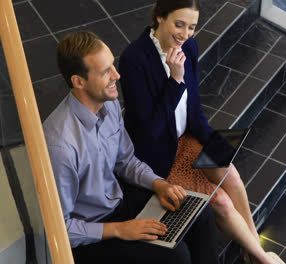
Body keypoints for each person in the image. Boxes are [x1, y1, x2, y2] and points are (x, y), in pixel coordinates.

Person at [119, 1, 284, 263]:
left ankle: (253, 249)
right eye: (179, 24)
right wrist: (175, 80)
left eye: (192, 27)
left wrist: (216, 144)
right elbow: (151, 131)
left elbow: (194, 111)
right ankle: (262, 259)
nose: (185, 34)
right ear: (160, 18)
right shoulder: (134, 59)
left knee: (229, 172)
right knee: (219, 200)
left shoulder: (189, 47)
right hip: (157, 155)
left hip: (187, 137)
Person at [43, 31, 218, 264]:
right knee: (176, 256)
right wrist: (120, 229)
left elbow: (125, 161)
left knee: (199, 212)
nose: (117, 75)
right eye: (106, 72)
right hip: (91, 237)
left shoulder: (110, 103)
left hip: (118, 202)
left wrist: (160, 184)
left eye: (112, 66)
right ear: (79, 81)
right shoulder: (61, 146)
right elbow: (59, 230)